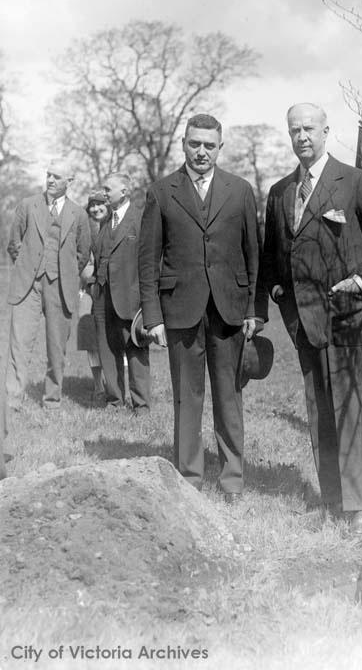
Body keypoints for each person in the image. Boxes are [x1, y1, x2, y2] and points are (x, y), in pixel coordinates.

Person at [262, 103, 362, 533]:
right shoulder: (280, 192)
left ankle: (359, 507)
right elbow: (272, 255)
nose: (302, 136)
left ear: (326, 131)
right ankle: (331, 500)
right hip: (305, 323)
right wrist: (278, 292)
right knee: (320, 411)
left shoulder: (354, 181)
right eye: (294, 130)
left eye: (309, 128)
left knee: (352, 411)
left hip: (349, 317)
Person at [138, 113, 267, 502]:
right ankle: (189, 480)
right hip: (180, 309)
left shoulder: (240, 190)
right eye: (194, 143)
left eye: (209, 145)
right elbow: (148, 260)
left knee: (229, 397)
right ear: (183, 144)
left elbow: (254, 254)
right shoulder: (161, 192)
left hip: (229, 311)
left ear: (220, 148)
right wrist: (153, 317)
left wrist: (254, 310)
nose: (201, 152)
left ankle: (232, 481)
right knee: (186, 397)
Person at [5, 159, 90, 409]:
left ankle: (52, 399)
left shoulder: (79, 214)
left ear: (69, 181)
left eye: (57, 176)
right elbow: (14, 243)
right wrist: (27, 265)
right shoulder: (27, 205)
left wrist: (66, 272)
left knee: (56, 347)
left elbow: (83, 253)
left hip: (60, 288)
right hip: (28, 286)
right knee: (19, 343)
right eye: (49, 175)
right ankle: (12, 399)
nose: (51, 180)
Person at [92, 173, 150, 413]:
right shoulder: (106, 221)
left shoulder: (141, 218)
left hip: (130, 297)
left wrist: (145, 300)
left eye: (108, 189)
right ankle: (114, 401)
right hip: (102, 297)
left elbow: (149, 262)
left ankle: (141, 405)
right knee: (107, 348)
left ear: (124, 191)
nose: (104, 193)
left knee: (135, 349)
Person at [77, 190, 109, 403]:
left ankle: (118, 386)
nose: (96, 209)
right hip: (88, 291)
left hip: (112, 292)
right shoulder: (84, 230)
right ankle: (98, 386)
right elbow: (81, 263)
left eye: (100, 204)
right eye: (92, 205)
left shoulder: (115, 226)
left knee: (115, 340)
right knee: (91, 340)